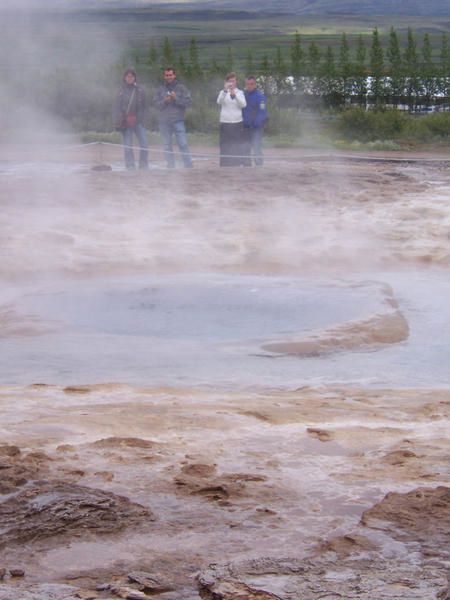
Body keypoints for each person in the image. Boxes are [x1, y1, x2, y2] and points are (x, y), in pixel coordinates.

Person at [153, 67, 193, 168]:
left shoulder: (181, 88)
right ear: (164, 76)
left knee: (183, 144)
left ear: (174, 75)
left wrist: (176, 99)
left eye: (170, 75)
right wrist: (165, 101)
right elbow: (156, 104)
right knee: (167, 146)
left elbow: (188, 103)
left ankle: (188, 165)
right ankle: (170, 166)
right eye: (167, 75)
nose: (169, 77)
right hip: (164, 122)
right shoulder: (160, 89)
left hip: (178, 120)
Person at [113, 68, 149, 170]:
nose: (130, 78)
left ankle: (143, 165)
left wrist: (141, 119)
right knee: (128, 147)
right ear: (124, 78)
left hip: (139, 122)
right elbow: (117, 107)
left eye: (132, 76)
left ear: (135, 78)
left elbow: (145, 107)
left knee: (144, 145)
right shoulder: (120, 91)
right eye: (128, 76)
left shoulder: (140, 90)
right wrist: (119, 120)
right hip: (125, 122)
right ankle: (130, 166)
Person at [217, 72, 247, 167]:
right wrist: (225, 90)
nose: (231, 83)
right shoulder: (222, 92)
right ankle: (225, 164)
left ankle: (237, 164)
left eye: (233, 81)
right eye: (229, 81)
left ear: (236, 82)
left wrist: (235, 96)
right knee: (225, 145)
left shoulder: (240, 92)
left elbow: (243, 104)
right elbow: (219, 102)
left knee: (237, 144)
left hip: (237, 123)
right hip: (225, 123)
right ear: (226, 82)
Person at [243, 76, 268, 166]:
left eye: (251, 84)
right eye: (247, 84)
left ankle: (259, 165)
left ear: (255, 85)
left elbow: (262, 112)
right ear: (245, 85)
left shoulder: (260, 96)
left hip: (256, 128)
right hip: (245, 127)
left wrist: (255, 123)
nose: (249, 86)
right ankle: (247, 165)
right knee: (245, 147)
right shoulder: (242, 95)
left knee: (257, 147)